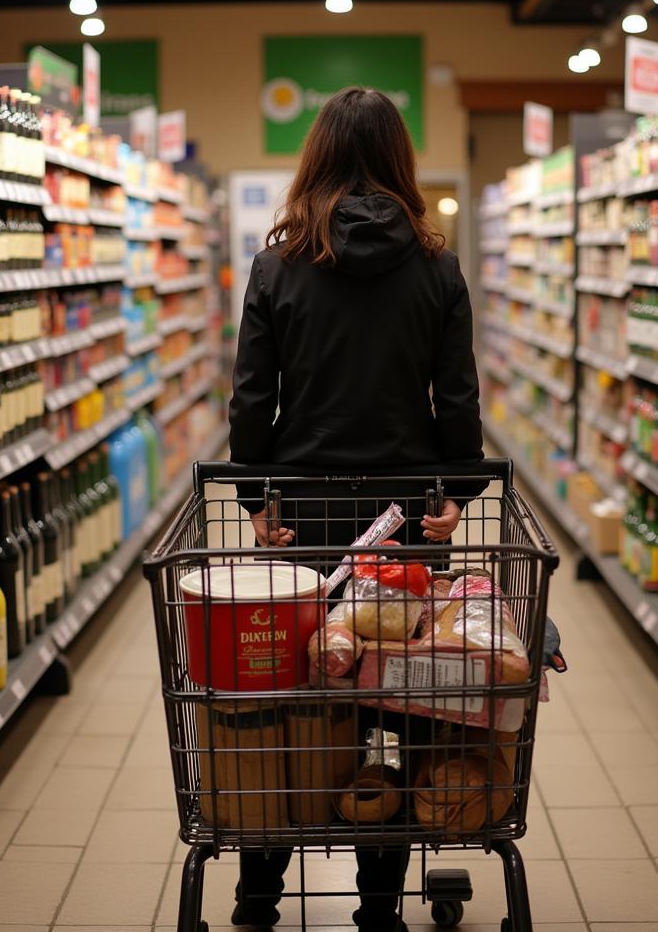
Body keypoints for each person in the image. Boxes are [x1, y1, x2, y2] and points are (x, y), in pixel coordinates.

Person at [228, 86, 484, 932]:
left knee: (294, 699)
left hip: (302, 518)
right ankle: (380, 904)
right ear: (400, 160)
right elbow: (459, 407)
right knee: (401, 705)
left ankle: (260, 891)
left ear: (317, 157)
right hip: (404, 523)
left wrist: (254, 500)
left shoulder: (276, 264)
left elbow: (249, 406)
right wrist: (456, 497)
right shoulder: (437, 265)